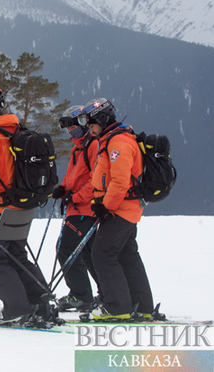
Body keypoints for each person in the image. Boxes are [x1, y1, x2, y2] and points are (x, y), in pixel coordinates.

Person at [0, 84, 54, 326]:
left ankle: (15, 309)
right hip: (23, 208)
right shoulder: (16, 131)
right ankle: (41, 303)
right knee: (17, 256)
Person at [81, 98, 155, 320]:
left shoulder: (118, 143)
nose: (89, 128)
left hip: (120, 209)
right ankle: (141, 306)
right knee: (127, 255)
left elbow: (120, 181)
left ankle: (117, 307)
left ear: (102, 120)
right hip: (125, 208)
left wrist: (106, 206)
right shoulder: (114, 139)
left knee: (102, 254)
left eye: (91, 123)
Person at [52, 105, 101, 312]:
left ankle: (81, 296)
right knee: (89, 253)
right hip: (78, 208)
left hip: (84, 209)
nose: (70, 131)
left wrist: (76, 197)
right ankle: (106, 292)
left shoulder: (93, 146)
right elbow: (74, 176)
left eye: (72, 126)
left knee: (66, 250)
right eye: (67, 128)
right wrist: (63, 189)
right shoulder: (79, 147)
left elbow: (96, 181)